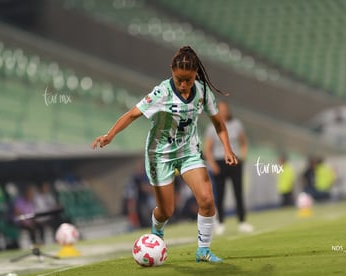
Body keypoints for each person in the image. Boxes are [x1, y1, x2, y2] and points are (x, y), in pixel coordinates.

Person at [92, 46, 238, 263]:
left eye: (188, 79)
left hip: (188, 152)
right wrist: (110, 135)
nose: (183, 84)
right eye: (179, 79)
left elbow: (219, 123)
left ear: (195, 73)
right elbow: (133, 114)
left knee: (207, 199)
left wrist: (227, 148)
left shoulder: (203, 91)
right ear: (172, 72)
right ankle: (157, 233)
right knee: (167, 210)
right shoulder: (162, 92)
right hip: (160, 155)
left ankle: (203, 250)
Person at [204, 101, 253, 235]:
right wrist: (212, 165)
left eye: (226, 109)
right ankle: (220, 223)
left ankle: (242, 221)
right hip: (219, 162)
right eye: (221, 109)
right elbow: (207, 149)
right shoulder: (211, 127)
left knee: (238, 192)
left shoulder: (236, 124)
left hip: (234, 160)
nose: (224, 112)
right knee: (220, 194)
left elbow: (243, 142)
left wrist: (242, 157)